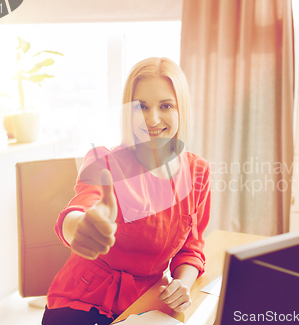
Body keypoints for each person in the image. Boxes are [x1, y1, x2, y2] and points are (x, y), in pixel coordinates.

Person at [42, 57, 211, 325]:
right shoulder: (104, 162)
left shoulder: (197, 171)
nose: (152, 119)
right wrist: (82, 227)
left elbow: (191, 247)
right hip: (82, 302)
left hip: (148, 304)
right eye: (141, 107)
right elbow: (79, 208)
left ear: (182, 110)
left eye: (165, 105)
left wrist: (182, 284)